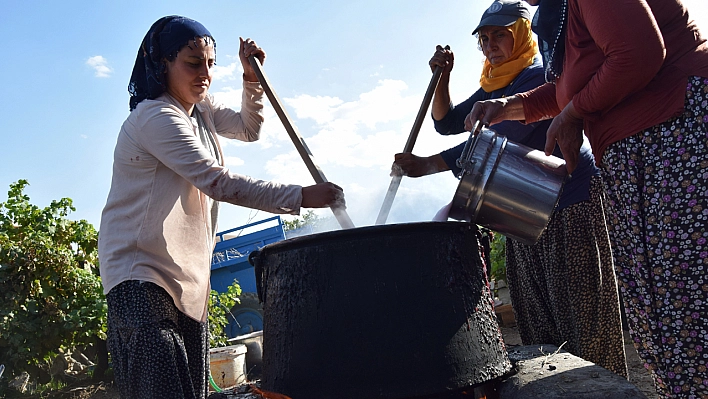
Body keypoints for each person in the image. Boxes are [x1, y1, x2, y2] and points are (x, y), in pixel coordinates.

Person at [467, 0, 708, 396]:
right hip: (638, 155)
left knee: (686, 298)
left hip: (675, 137)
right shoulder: (558, 12)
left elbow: (637, 53)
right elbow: (569, 90)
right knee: (664, 308)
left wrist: (574, 113)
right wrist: (508, 107)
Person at [97, 16, 345, 398]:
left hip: (187, 274)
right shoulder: (155, 117)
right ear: (162, 64)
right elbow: (218, 182)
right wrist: (301, 196)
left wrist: (250, 78)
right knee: (161, 383)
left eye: (211, 64)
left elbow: (249, 128)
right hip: (140, 272)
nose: (205, 74)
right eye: (193, 63)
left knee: (191, 390)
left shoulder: (203, 111)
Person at [393, 0, 628, 377]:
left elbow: (503, 132)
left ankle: (602, 385)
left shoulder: (539, 75)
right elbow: (447, 122)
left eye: (499, 36)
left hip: (568, 200)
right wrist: (443, 78)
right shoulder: (494, 83)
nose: (489, 45)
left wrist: (430, 165)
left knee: (582, 312)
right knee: (538, 315)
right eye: (483, 39)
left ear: (520, 35)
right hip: (519, 210)